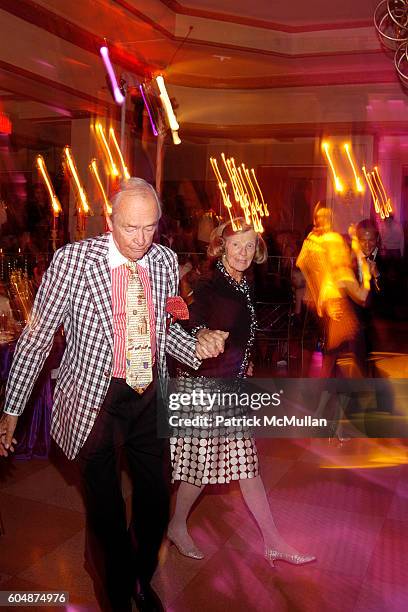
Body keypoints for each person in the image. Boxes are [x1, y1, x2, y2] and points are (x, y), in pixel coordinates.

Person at [0, 178, 227, 612]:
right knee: (105, 514)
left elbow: (162, 334)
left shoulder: (163, 260)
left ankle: (138, 575)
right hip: (94, 400)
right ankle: (118, 592)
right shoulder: (73, 262)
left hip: (147, 396)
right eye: (130, 228)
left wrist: (195, 344)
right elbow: (36, 338)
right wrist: (12, 407)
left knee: (156, 504)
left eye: (150, 228)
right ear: (109, 220)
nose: (141, 240)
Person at [168, 218, 316, 567]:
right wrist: (202, 332)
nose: (243, 252)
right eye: (236, 244)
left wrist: (243, 359)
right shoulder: (210, 283)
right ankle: (176, 525)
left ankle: (272, 540)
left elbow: (237, 330)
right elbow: (195, 318)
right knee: (200, 469)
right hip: (206, 389)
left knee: (239, 467)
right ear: (221, 244)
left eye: (250, 246)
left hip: (228, 385)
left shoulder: (242, 282)